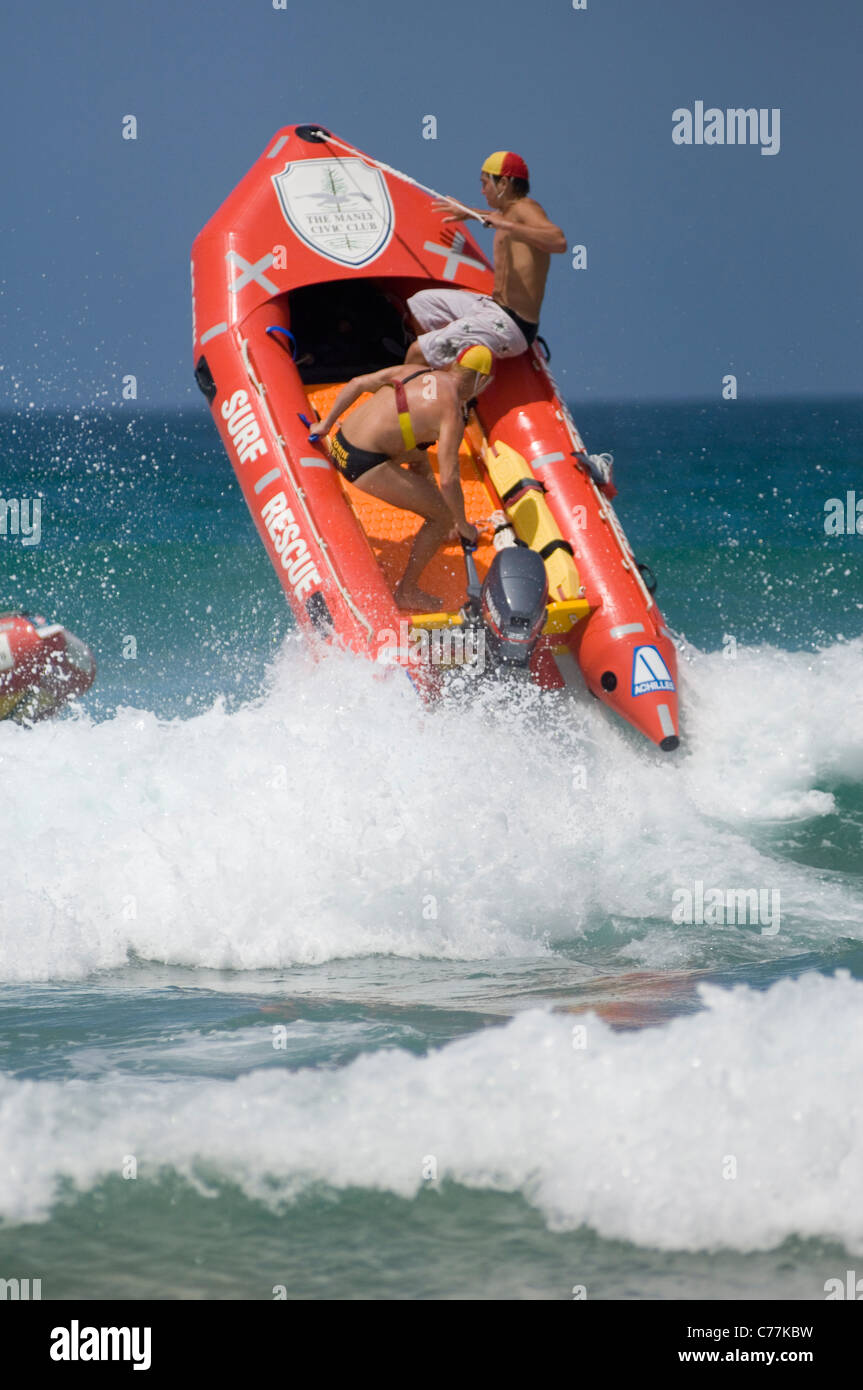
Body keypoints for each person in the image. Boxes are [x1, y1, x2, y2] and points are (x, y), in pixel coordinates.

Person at [308, 345, 494, 610]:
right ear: (481, 381)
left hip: (338, 443)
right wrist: (463, 525)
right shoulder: (452, 411)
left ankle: (437, 518)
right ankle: (407, 590)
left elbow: (357, 383)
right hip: (360, 464)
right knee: (443, 514)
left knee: (419, 454)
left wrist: (325, 424)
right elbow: (450, 480)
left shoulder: (414, 370)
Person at [405, 151, 566, 369]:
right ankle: (446, 374)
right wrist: (468, 212)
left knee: (417, 351)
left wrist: (506, 226)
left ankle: (427, 384)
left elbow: (558, 241)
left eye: (485, 183)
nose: (482, 191)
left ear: (504, 183)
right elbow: (496, 218)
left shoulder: (526, 209)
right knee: (421, 304)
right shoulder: (509, 212)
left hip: (511, 326)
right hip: (492, 307)